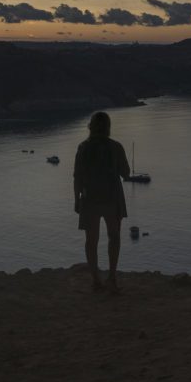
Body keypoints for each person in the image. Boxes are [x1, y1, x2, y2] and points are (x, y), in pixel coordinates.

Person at [73, 111, 130, 294]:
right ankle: (112, 277)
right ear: (108, 127)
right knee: (114, 237)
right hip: (112, 198)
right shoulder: (115, 147)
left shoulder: (83, 147)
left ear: (90, 126)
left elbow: (77, 177)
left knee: (91, 241)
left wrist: (76, 199)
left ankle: (96, 281)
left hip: (90, 199)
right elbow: (126, 173)